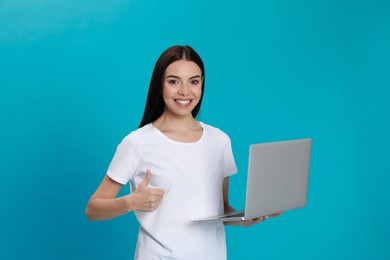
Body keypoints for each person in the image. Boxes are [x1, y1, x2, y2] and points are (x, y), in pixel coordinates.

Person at [85, 45, 280, 259]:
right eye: (173, 81)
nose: (185, 91)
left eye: (194, 81)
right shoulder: (138, 142)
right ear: (160, 85)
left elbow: (221, 208)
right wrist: (131, 202)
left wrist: (245, 219)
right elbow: (93, 209)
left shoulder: (219, 141)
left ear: (202, 84)